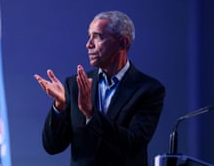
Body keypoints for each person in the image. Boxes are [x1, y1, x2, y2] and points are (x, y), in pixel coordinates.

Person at [34, 10, 165, 166]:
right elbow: (52, 146)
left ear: (123, 42)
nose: (88, 44)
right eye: (89, 37)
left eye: (97, 37)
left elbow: (133, 145)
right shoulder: (74, 85)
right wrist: (60, 105)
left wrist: (90, 113)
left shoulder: (148, 89)